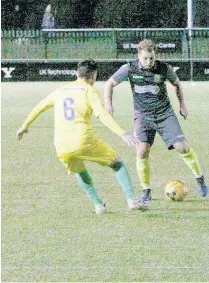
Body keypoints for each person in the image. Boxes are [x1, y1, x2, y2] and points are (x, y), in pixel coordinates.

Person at [16, 59, 146, 216]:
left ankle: (98, 205)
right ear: (93, 75)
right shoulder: (89, 91)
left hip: (61, 145)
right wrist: (122, 133)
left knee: (78, 169)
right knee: (117, 163)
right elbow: (102, 114)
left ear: (77, 73)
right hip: (83, 140)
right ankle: (131, 200)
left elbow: (39, 107)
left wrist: (24, 126)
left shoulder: (60, 90)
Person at [104, 39, 208, 205]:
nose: (149, 61)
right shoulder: (129, 68)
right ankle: (146, 191)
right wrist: (108, 103)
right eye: (145, 58)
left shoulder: (164, 68)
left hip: (164, 114)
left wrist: (182, 105)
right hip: (142, 116)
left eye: (151, 58)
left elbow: (176, 84)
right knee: (141, 151)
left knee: (182, 147)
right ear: (139, 56)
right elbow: (109, 83)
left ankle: (200, 179)